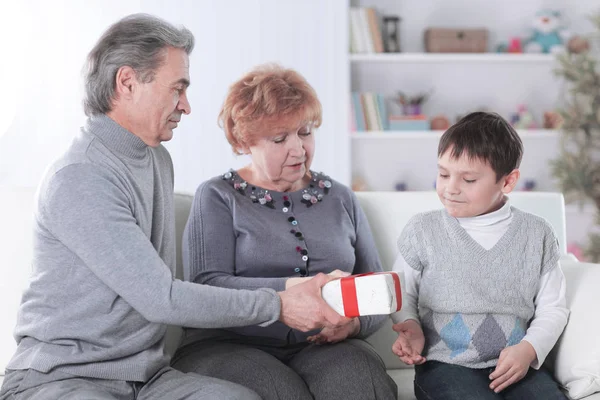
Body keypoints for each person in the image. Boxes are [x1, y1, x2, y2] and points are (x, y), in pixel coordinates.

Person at [0, 14, 348, 400]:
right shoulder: (81, 175)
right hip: (63, 379)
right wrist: (278, 304)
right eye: (177, 89)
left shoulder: (155, 159)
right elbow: (160, 297)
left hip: (146, 378)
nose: (186, 105)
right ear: (127, 82)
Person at [171, 64, 398, 400]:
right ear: (245, 141)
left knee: (361, 380)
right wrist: (295, 290)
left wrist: (354, 324)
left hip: (323, 346)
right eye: (280, 138)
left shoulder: (340, 197)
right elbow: (207, 285)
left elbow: (376, 286)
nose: (298, 149)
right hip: (228, 345)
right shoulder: (217, 195)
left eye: (305, 133)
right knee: (279, 392)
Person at [391, 111, 570, 400]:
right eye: (443, 174)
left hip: (517, 366)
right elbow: (399, 291)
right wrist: (411, 327)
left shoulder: (537, 234)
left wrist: (528, 350)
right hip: (445, 367)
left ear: (508, 182)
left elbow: (554, 308)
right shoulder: (424, 229)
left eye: (469, 179)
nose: (450, 188)